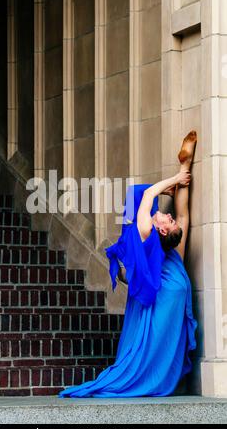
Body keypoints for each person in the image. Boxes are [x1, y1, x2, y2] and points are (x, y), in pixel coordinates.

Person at [58, 131, 198, 398]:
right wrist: (182, 171)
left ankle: (184, 165)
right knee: (184, 214)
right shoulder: (168, 246)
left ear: (162, 231)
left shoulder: (147, 232)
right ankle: (185, 161)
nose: (166, 214)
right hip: (172, 288)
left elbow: (147, 199)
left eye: (167, 220)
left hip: (166, 293)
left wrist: (176, 180)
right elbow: (182, 213)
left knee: (145, 354)